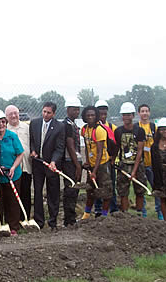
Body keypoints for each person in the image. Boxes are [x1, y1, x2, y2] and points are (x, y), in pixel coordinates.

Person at [29, 101, 65, 230]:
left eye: (49, 112)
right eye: (44, 111)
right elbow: (32, 141)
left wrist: (54, 162)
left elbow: (60, 148)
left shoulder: (60, 127)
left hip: (51, 165)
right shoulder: (34, 123)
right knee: (37, 192)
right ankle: (39, 221)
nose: (45, 114)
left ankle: (53, 221)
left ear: (54, 113)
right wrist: (33, 151)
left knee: (53, 193)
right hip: (38, 165)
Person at [0, 109, 24, 235]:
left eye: (3, 122)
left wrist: (13, 167)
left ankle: (13, 227)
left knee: (13, 201)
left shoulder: (12, 136)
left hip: (13, 175)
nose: (1, 125)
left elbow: (20, 154)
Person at [112, 102, 147, 215]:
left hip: (138, 164)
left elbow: (140, 151)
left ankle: (139, 214)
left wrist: (134, 170)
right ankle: (125, 214)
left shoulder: (140, 131)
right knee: (123, 191)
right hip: (123, 165)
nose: (126, 117)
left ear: (133, 115)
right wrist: (113, 160)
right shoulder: (118, 131)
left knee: (140, 190)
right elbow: (117, 148)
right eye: (124, 115)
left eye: (128, 115)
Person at [80, 106, 113, 219]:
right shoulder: (84, 129)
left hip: (102, 164)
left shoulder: (100, 130)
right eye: (88, 115)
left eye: (93, 115)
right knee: (90, 190)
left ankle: (104, 216)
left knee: (105, 191)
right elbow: (87, 148)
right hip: (92, 165)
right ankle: (86, 215)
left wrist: (94, 171)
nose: (90, 117)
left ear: (96, 116)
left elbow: (100, 152)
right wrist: (88, 162)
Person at [5, 104, 32, 221]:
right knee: (13, 195)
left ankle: (25, 218)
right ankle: (13, 219)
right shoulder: (4, 129)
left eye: (15, 113)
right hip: (13, 168)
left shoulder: (26, 127)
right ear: (6, 117)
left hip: (26, 166)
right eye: (10, 114)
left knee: (26, 193)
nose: (14, 116)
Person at [137, 103, 162, 220]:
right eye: (142, 111)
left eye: (146, 111)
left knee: (156, 188)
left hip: (152, 163)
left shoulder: (154, 127)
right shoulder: (136, 127)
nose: (145, 113)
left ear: (149, 113)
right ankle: (143, 213)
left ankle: (160, 211)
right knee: (141, 189)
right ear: (139, 113)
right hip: (141, 164)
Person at [93, 99, 118, 216]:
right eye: (100, 110)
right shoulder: (93, 128)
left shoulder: (112, 127)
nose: (102, 112)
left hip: (109, 161)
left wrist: (113, 158)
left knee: (110, 186)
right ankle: (98, 209)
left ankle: (113, 209)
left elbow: (116, 145)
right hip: (97, 162)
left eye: (104, 110)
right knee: (97, 186)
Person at [62, 97, 83, 227]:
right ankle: (69, 220)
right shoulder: (67, 125)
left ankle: (71, 218)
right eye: (74, 109)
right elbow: (70, 147)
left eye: (78, 109)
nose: (77, 112)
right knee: (71, 189)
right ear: (68, 110)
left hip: (75, 160)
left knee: (75, 190)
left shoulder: (73, 124)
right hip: (70, 162)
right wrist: (77, 166)